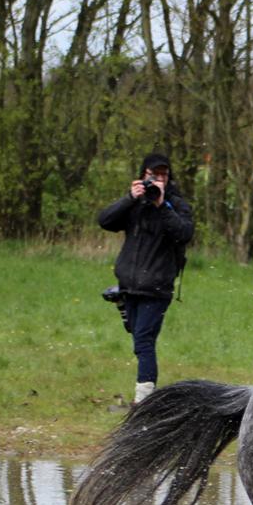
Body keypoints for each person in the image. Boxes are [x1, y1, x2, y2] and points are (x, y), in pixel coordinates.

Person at [98, 152, 194, 404]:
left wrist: (162, 205)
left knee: (143, 341)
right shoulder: (135, 205)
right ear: (143, 175)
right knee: (137, 332)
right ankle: (123, 307)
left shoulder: (176, 204)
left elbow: (184, 233)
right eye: (154, 174)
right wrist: (130, 198)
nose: (159, 179)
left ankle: (144, 402)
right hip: (130, 284)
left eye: (164, 174)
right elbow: (105, 221)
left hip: (156, 286)